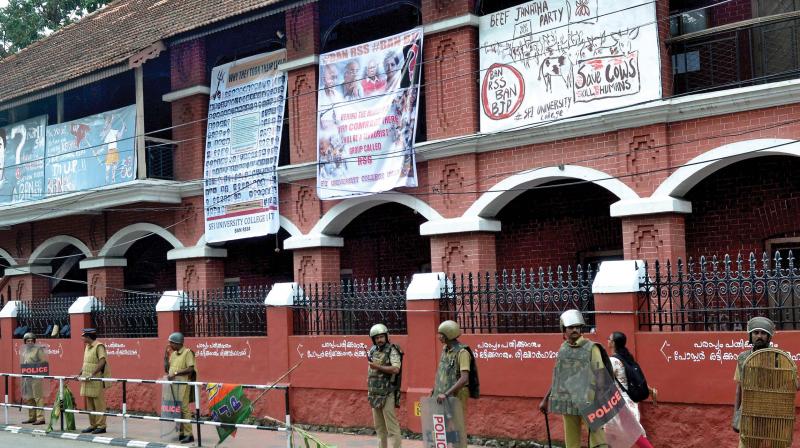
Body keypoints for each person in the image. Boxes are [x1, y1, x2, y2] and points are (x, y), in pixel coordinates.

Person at [539, 309, 607, 448]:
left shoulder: (591, 348)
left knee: (598, 440)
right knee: (571, 441)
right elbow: (559, 377)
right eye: (570, 327)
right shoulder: (563, 349)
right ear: (564, 329)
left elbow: (600, 374)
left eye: (577, 327)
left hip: (589, 401)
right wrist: (546, 399)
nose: (574, 330)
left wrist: (599, 402)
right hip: (568, 401)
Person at [732, 316, 799, 447]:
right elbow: (739, 389)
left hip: (775, 414)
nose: (759, 336)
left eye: (763, 333)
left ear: (769, 337)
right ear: (750, 335)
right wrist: (736, 416)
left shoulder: (779, 357)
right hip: (750, 414)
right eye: (756, 333)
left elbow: (793, 384)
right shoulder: (742, 359)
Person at [607, 332, 656, 448]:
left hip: (620, 404)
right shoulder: (627, 358)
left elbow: (603, 381)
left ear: (613, 343)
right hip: (629, 401)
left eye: (609, 339)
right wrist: (649, 390)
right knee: (613, 436)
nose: (607, 341)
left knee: (634, 434)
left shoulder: (613, 361)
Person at [433, 320, 472, 448]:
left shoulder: (462, 352)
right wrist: (436, 389)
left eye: (441, 334)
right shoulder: (445, 350)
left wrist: (446, 393)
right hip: (444, 393)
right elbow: (443, 372)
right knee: (442, 426)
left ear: (448, 335)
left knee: (457, 427)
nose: (439, 336)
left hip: (458, 394)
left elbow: (464, 378)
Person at [367, 323, 402, 448]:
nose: (379, 340)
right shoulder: (372, 350)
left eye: (381, 337)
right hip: (374, 394)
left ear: (386, 336)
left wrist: (378, 366)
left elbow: (396, 369)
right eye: (376, 338)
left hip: (387, 393)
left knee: (391, 427)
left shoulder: (392, 349)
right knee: (379, 428)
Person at [165, 332, 197, 444]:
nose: (169, 344)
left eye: (171, 343)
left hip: (184, 385)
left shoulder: (188, 353)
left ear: (177, 343)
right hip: (174, 385)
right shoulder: (173, 354)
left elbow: (190, 369)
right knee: (177, 409)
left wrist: (176, 373)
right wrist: (165, 355)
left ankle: (189, 434)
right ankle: (181, 433)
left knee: (184, 409)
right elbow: (168, 368)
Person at [76, 328, 109, 434]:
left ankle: (101, 426)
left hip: (95, 378)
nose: (82, 338)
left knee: (98, 403)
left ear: (89, 337)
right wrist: (80, 373)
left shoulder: (99, 346)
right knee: (90, 404)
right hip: (87, 378)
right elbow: (86, 362)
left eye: (84, 336)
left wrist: (93, 374)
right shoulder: (87, 346)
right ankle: (93, 425)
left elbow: (102, 361)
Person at [20, 332, 46, 425]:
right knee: (29, 398)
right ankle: (32, 417)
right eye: (28, 341)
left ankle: (41, 418)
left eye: (32, 340)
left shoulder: (38, 350)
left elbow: (43, 362)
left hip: (36, 377)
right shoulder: (25, 351)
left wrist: (34, 369)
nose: (30, 342)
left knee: (38, 398)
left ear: (34, 341)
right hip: (27, 377)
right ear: (25, 342)